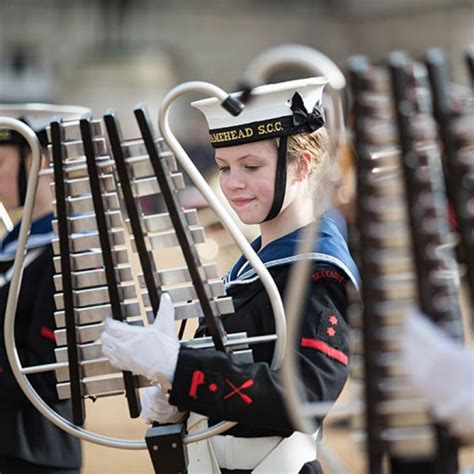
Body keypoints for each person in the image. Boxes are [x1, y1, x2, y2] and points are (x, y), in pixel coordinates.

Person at [101, 78, 360, 473]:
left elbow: (306, 398)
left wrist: (179, 366)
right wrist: (179, 399)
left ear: (303, 165)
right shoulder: (254, 261)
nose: (233, 183)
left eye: (251, 166)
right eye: (223, 167)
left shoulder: (318, 268)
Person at [0, 106, 83, 474]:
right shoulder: (17, 241)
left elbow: (48, 377)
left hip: (36, 452)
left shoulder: (66, 248)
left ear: (39, 162)